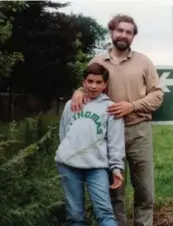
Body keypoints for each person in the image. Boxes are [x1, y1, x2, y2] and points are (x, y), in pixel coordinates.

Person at [69, 14, 164, 226]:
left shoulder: (143, 62)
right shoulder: (97, 61)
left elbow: (157, 95)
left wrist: (132, 106)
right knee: (114, 191)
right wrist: (77, 91)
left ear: (133, 37)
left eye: (129, 32)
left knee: (145, 191)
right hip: (107, 135)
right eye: (120, 30)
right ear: (112, 32)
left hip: (138, 131)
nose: (124, 35)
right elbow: (88, 86)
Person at [55, 62, 125, 226]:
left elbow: (115, 141)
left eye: (99, 82)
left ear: (105, 85)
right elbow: (64, 133)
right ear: (83, 82)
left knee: (105, 214)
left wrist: (116, 167)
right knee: (75, 215)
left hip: (96, 167)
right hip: (68, 166)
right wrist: (66, 152)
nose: (94, 86)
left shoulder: (110, 108)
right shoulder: (71, 105)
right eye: (90, 81)